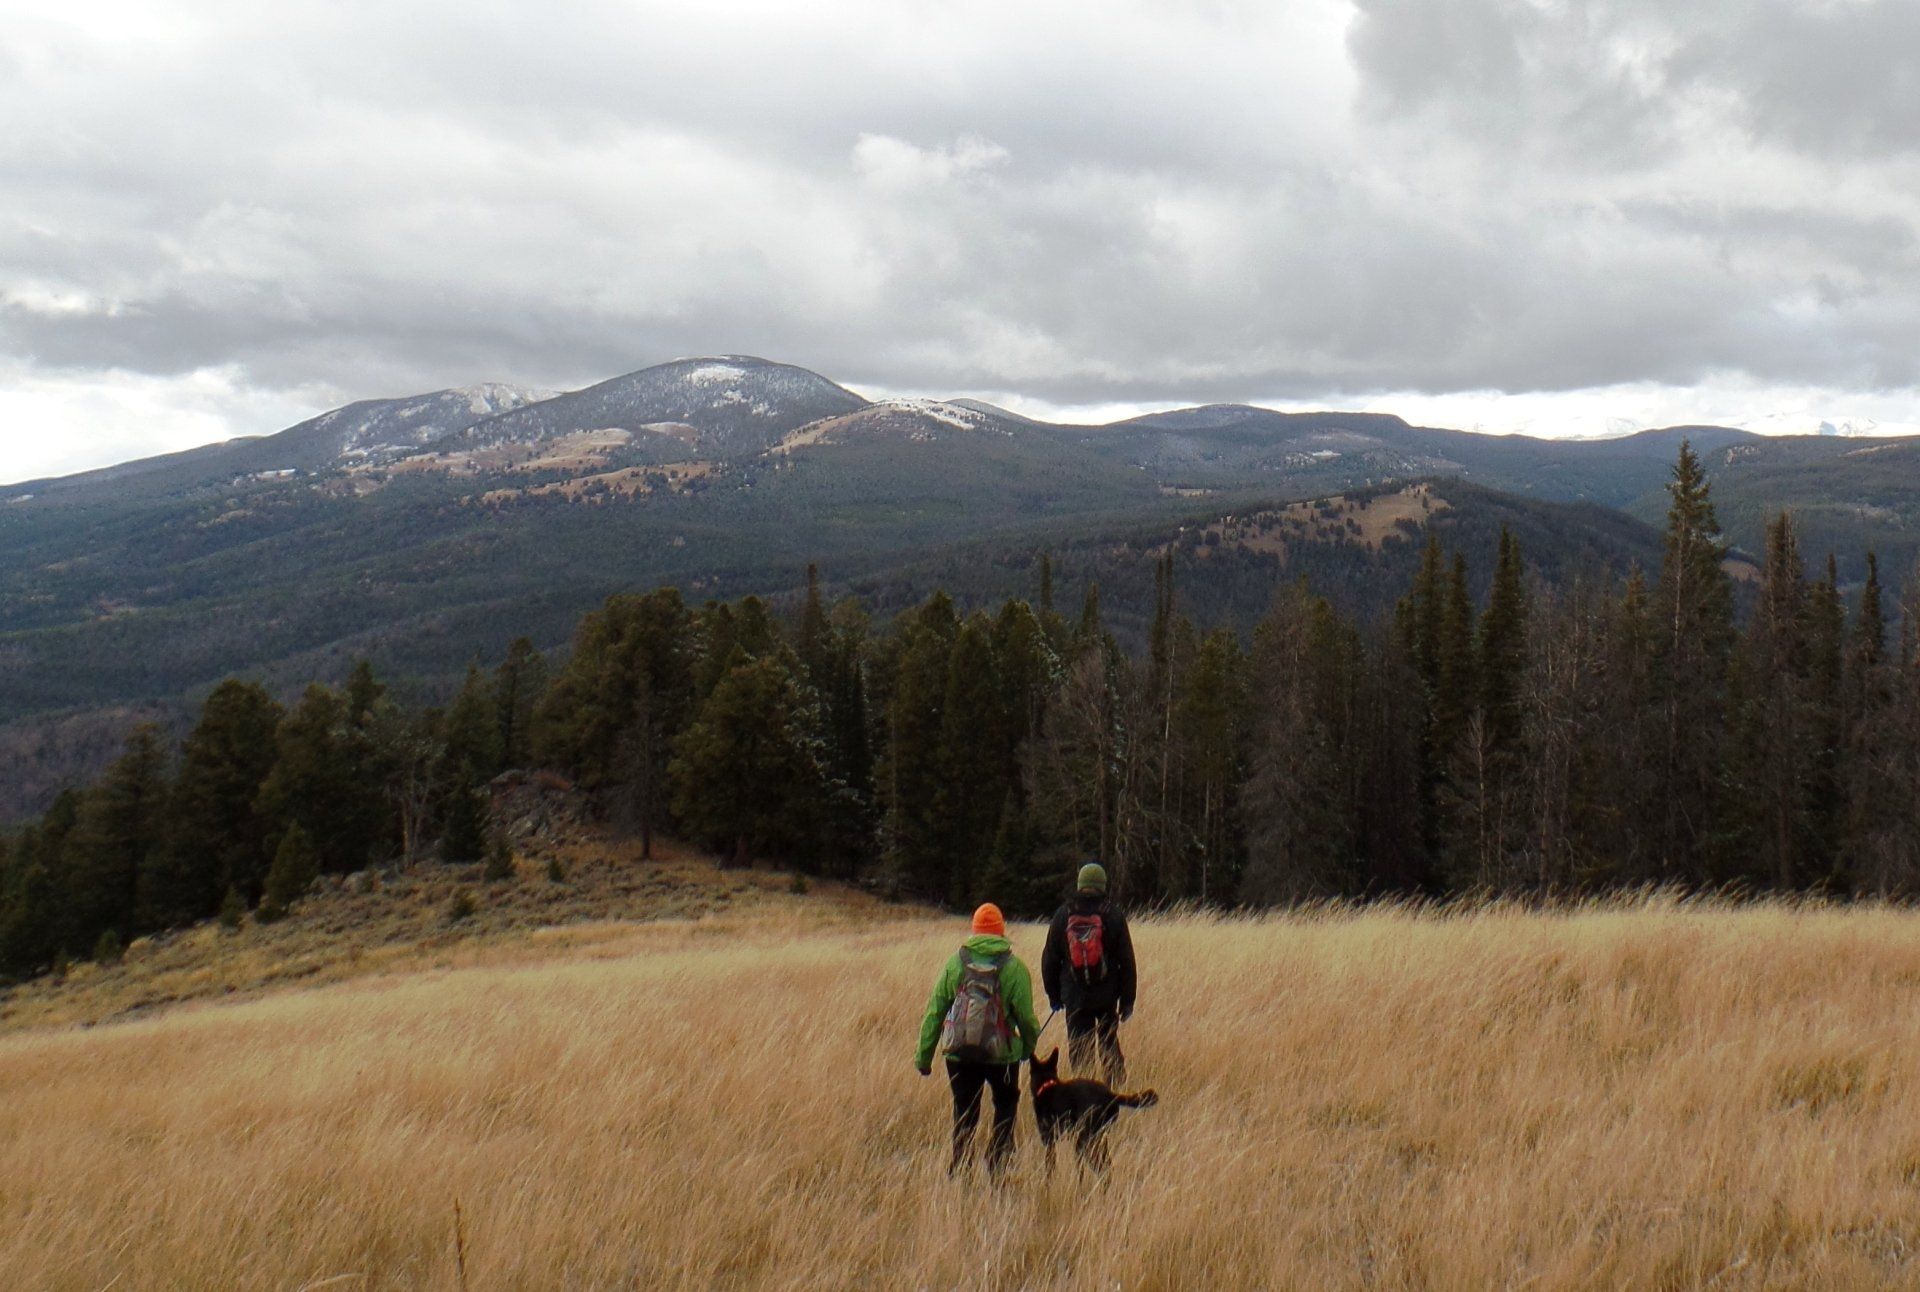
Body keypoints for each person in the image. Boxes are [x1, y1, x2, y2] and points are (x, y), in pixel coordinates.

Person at [915, 902, 1042, 1177]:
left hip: (959, 1055)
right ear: (1001, 931)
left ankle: (960, 1168)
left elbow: (935, 1011)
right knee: (1006, 1105)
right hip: (1001, 1056)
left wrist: (924, 1057)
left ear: (974, 930)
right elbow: (1026, 1018)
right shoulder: (1014, 968)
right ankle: (998, 1164)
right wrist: (1027, 1049)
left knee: (964, 1109)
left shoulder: (955, 963)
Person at [1042, 862, 1136, 1084]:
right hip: (1106, 996)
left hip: (1075, 997)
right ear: (1102, 885)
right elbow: (1127, 961)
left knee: (1080, 1052)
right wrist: (1127, 1002)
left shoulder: (1062, 914)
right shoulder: (1113, 914)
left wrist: (1054, 996)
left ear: (1080, 884)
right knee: (1109, 1045)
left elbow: (1050, 960)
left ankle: (1084, 1101)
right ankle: (1115, 1094)